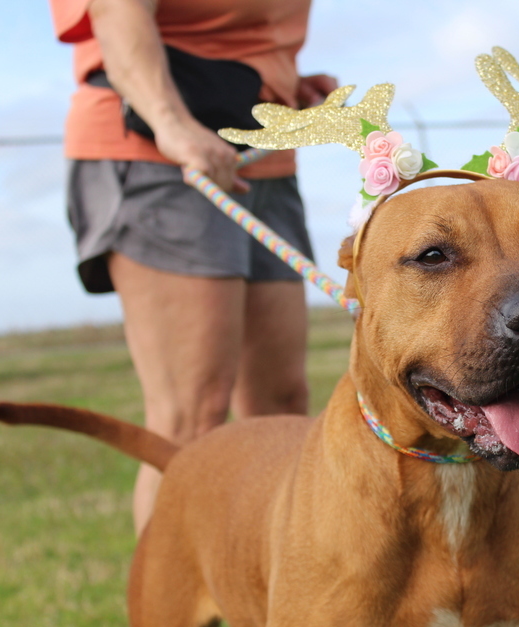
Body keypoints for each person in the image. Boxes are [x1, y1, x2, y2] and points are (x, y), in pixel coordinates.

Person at [48, 0, 337, 536]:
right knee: (190, 419)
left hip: (261, 155)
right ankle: (170, 616)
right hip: (158, 147)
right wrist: (170, 121)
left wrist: (280, 82)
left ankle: (277, 600)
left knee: (281, 406)